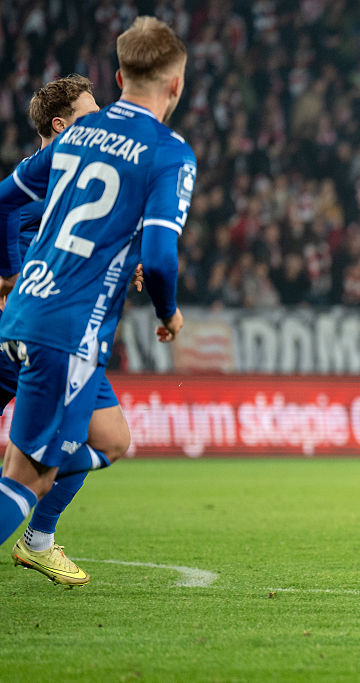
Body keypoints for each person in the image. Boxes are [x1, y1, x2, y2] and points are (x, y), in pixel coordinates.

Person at [0, 16, 194, 572]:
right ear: (176, 85)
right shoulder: (168, 152)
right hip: (65, 330)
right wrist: (169, 312)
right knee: (26, 479)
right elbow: (161, 256)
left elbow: (4, 203)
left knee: (108, 440)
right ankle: (35, 534)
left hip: (27, 313)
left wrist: (8, 279)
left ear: (118, 74)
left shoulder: (76, 138)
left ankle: (37, 529)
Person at [0, 74, 142, 587]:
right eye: (90, 111)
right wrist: (10, 276)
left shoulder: (75, 178)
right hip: (29, 330)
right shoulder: (41, 179)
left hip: (61, 332)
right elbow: (5, 214)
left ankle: (37, 537)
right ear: (60, 126)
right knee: (67, 441)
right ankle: (25, 512)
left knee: (91, 431)